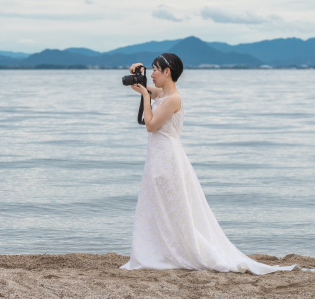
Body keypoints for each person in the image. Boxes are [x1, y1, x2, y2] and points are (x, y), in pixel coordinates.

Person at [120, 53, 295, 274]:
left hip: (167, 158)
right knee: (158, 204)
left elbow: (151, 125)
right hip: (158, 156)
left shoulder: (173, 98)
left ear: (167, 72)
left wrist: (146, 97)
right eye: (151, 70)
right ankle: (161, 249)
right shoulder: (163, 94)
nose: (153, 74)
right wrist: (138, 74)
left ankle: (173, 251)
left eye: (155, 69)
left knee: (170, 205)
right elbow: (147, 90)